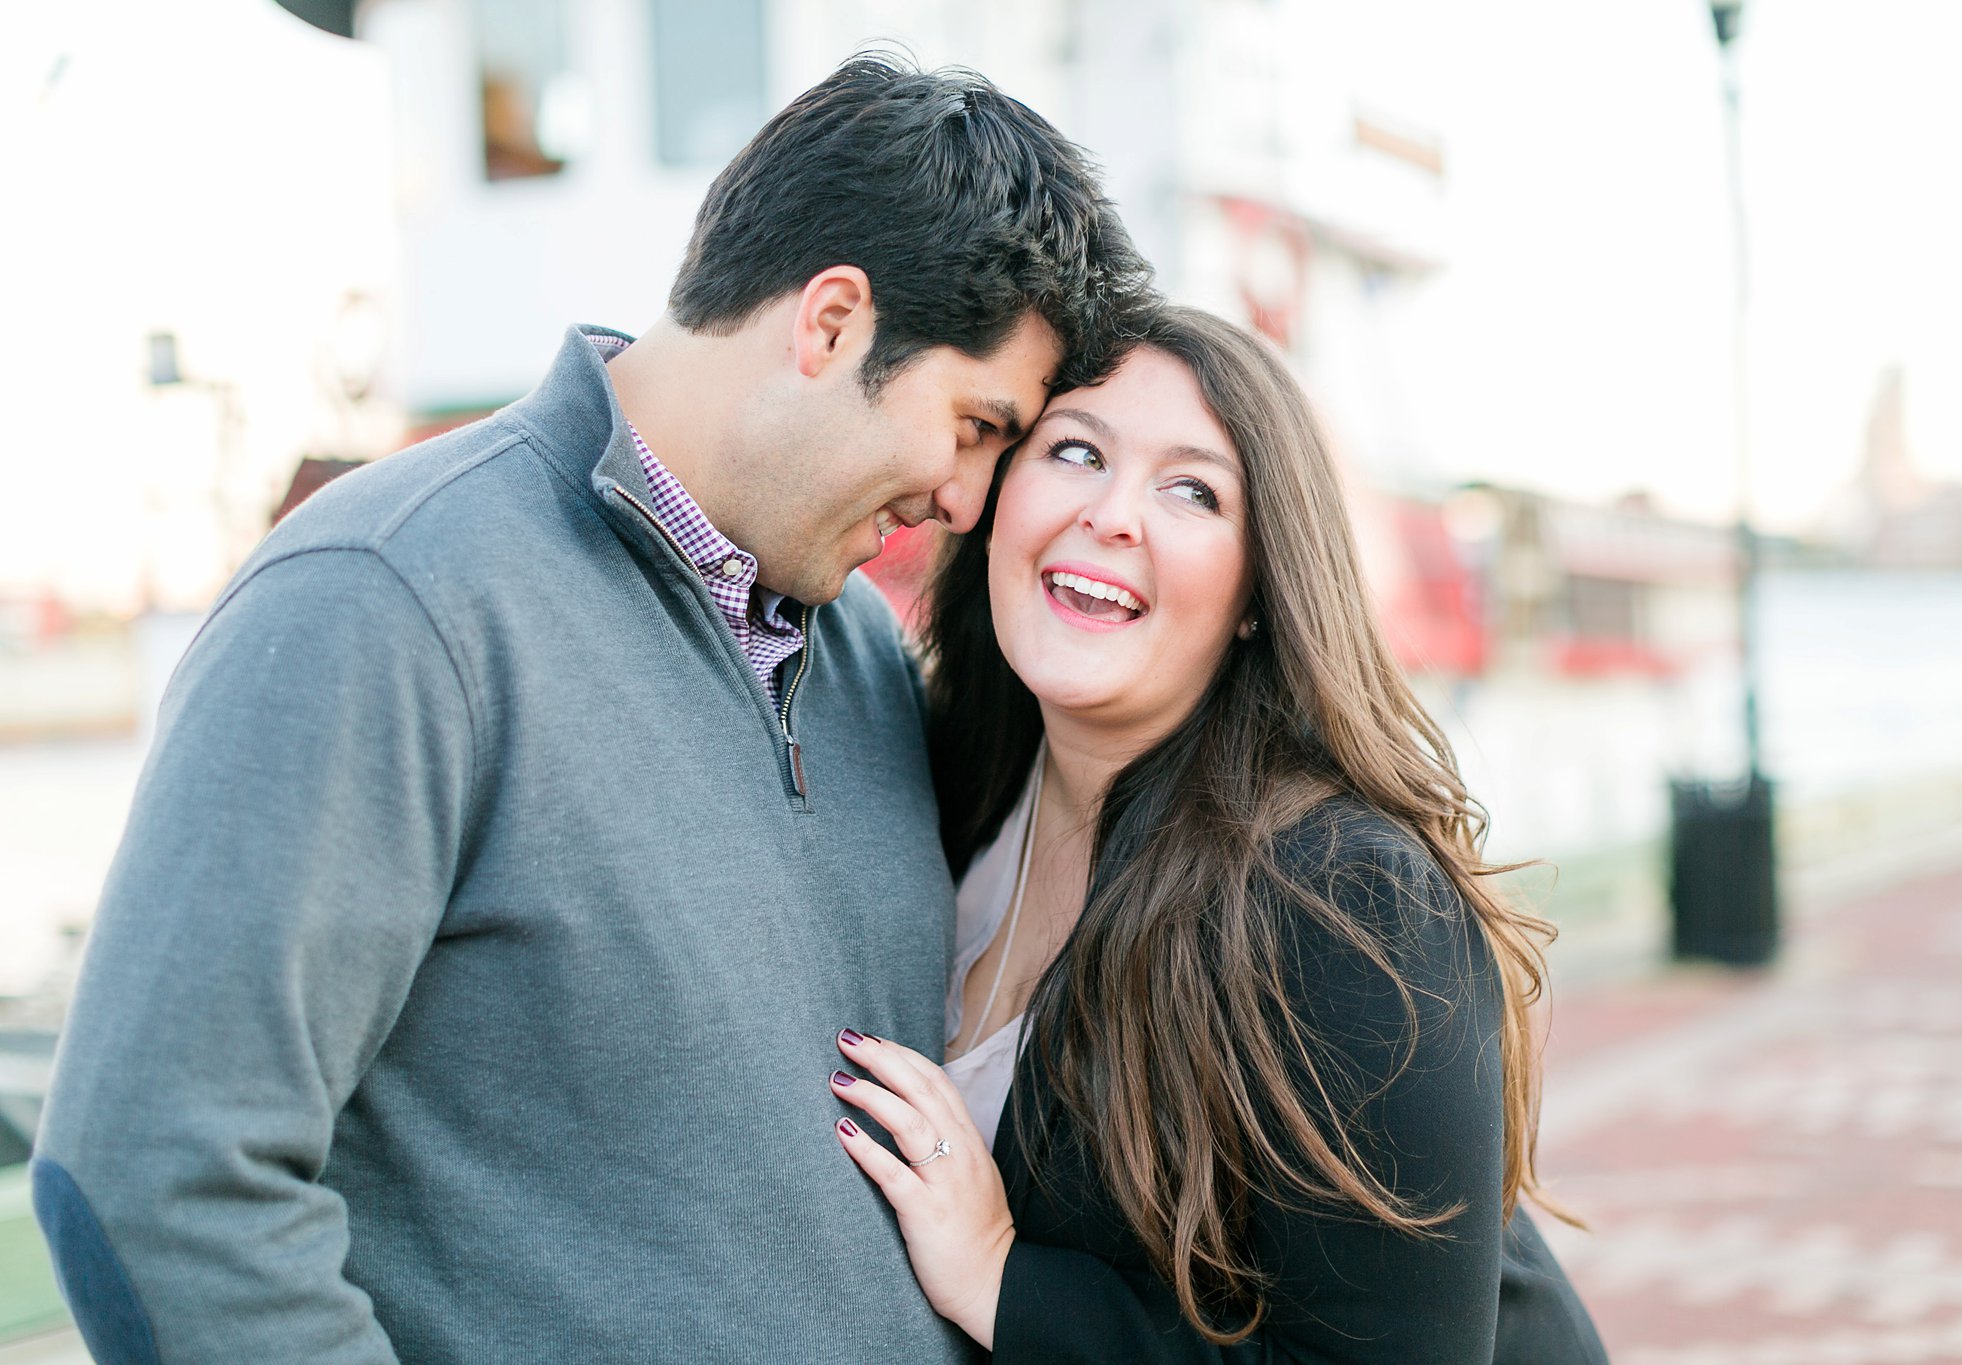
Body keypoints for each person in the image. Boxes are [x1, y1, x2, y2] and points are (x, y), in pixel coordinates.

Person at [31, 55, 1154, 1364]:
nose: (968, 501)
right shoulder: (389, 600)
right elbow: (157, 1173)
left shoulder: (857, 652)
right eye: (973, 425)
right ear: (833, 322)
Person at [829, 307, 1608, 1361]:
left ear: (1257, 591)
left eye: (1191, 490)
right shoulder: (944, 780)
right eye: (1075, 452)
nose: (1112, 516)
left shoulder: (1342, 897)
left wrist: (1002, 1280)